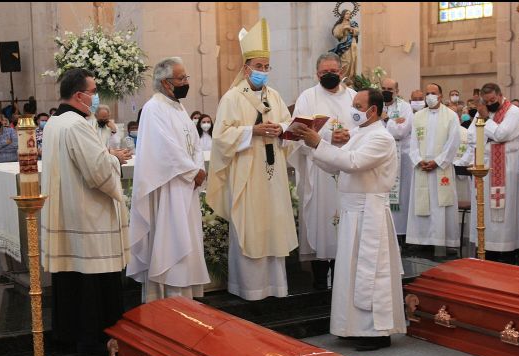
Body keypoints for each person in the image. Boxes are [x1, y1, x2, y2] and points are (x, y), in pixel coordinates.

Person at [292, 88, 405, 351]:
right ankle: (353, 327)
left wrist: (319, 144)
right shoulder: (358, 133)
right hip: (352, 211)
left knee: (370, 272)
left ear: (373, 110)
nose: (353, 109)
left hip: (370, 212)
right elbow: (335, 164)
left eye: (358, 105)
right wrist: (313, 145)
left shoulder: (381, 137)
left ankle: (377, 332)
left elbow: (353, 162)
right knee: (350, 272)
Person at [40, 68, 131, 354]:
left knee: (72, 278)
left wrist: (106, 155)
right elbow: (98, 171)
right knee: (92, 279)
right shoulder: (77, 125)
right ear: (79, 95)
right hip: (88, 217)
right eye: (93, 92)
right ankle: (94, 339)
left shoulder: (55, 122)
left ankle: (68, 333)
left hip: (68, 211)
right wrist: (115, 160)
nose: (96, 97)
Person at [207, 19, 298, 301]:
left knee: (273, 225)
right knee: (250, 226)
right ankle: (249, 288)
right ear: (246, 68)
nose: (263, 71)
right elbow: (221, 137)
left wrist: (281, 129)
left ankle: (275, 287)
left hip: (273, 175)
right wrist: (252, 131)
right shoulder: (232, 98)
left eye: (266, 66)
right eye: (258, 66)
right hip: (246, 173)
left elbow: (288, 124)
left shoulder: (275, 96)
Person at [127, 57, 209, 302]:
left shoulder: (179, 107)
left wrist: (198, 168)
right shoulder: (153, 108)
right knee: (170, 241)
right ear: (165, 82)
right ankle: (168, 302)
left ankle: (186, 301)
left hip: (187, 186)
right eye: (181, 78)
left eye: (186, 77)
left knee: (187, 238)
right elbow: (165, 148)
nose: (186, 82)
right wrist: (193, 171)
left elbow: (194, 143)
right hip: (169, 187)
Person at [288, 52, 356, 290]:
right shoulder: (308, 97)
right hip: (319, 170)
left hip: (348, 167)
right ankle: (319, 280)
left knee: (345, 222)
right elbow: (298, 132)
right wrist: (327, 136)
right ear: (317, 74)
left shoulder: (353, 97)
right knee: (321, 220)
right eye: (324, 72)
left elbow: (364, 128)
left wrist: (349, 135)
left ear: (341, 71)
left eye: (333, 72)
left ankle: (342, 277)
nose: (329, 75)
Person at [461, 83, 519, 263]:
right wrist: (490, 134)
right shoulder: (483, 111)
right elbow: (472, 136)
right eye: (486, 101)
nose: (490, 104)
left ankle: (507, 253)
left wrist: (486, 122)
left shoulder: (513, 111)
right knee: (485, 208)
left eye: (493, 100)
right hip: (485, 165)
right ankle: (486, 249)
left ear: (500, 95)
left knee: (506, 212)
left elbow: (501, 135)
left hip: (506, 166)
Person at [407, 82, 461, 253]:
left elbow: (453, 142)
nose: (430, 96)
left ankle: (443, 240)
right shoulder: (418, 116)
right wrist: (418, 160)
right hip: (422, 167)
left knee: (441, 205)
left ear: (440, 95)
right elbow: (412, 142)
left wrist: (438, 161)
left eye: (433, 93)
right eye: (427, 93)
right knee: (422, 204)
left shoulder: (451, 116)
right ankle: (422, 240)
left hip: (441, 167)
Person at [380, 77, 414, 240]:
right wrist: (393, 123)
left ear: (397, 91)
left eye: (390, 89)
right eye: (383, 88)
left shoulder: (405, 107)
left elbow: (401, 132)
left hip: (402, 158)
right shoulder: (376, 105)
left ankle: (401, 234)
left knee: (402, 196)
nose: (386, 92)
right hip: (381, 157)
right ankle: (384, 231)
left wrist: (386, 119)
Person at [329, 9, 359, 83]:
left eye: (349, 14)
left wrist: (350, 28)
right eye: (346, 14)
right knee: (346, 62)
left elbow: (357, 32)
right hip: (344, 46)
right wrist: (343, 28)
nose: (348, 15)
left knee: (352, 62)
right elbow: (336, 34)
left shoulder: (353, 23)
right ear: (343, 15)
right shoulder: (339, 25)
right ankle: (343, 79)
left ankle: (351, 80)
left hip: (353, 44)